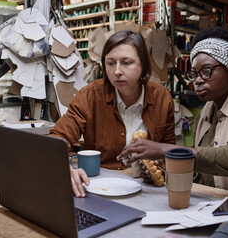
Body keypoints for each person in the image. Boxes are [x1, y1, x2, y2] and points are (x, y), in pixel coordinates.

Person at [117, 26, 228, 196]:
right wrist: (163, 172)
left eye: (207, 71)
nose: (198, 81)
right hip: (210, 204)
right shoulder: (206, 112)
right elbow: (201, 175)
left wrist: (166, 150)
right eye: (194, 74)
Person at [50, 30, 176, 197]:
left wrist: (159, 167)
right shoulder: (90, 96)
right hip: (96, 189)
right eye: (110, 63)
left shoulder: (161, 98)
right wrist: (62, 165)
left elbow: (170, 152)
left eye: (126, 62)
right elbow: (58, 137)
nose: (117, 71)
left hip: (148, 192)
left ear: (143, 65)